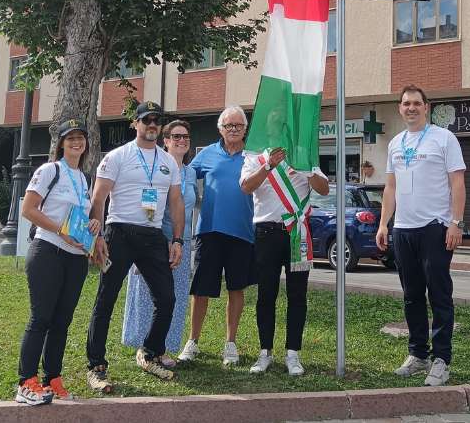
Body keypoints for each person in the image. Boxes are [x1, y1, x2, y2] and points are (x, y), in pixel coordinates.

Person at [86, 101, 184, 392]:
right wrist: (98, 236)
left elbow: (176, 203)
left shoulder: (168, 162)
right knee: (106, 300)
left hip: (153, 235)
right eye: (146, 120)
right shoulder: (117, 156)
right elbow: (99, 198)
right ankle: (96, 367)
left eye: (157, 121)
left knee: (166, 299)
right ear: (136, 124)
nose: (152, 125)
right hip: (119, 233)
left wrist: (177, 239)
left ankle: (151, 352)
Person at [376, 85, 466, 387]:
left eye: (416, 103)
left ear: (426, 107)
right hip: (403, 229)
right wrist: (383, 224)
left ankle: (441, 360)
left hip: (435, 227)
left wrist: (455, 222)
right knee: (412, 296)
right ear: (400, 109)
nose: (411, 108)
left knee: (439, 295)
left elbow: (457, 183)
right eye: (405, 104)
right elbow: (390, 187)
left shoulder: (444, 138)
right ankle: (418, 355)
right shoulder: (396, 143)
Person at [17, 118, 99, 405]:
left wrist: (93, 225)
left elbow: (83, 217)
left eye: (81, 138)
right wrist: (60, 231)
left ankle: (51, 378)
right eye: (70, 138)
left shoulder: (85, 178)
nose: (77, 142)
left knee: (62, 321)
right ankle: (26, 382)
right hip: (48, 250)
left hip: (75, 258)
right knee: (41, 318)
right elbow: (28, 209)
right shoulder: (49, 170)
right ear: (61, 143)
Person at [240, 148, 329, 375]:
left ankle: (293, 353)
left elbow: (324, 189)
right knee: (266, 295)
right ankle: (265, 352)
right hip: (266, 233)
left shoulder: (305, 154)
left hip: (296, 233)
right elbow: (246, 187)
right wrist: (268, 165)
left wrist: (307, 171)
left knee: (297, 295)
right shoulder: (254, 157)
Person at [177, 105, 255, 366]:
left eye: (238, 125)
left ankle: (230, 343)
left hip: (243, 233)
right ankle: (193, 341)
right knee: (200, 289)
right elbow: (183, 174)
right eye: (228, 125)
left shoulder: (254, 155)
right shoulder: (207, 154)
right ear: (220, 129)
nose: (233, 130)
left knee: (236, 288)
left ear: (245, 128)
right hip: (208, 231)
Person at [121, 120, 198, 366]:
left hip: (181, 243)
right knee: (149, 295)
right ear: (165, 141)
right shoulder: (155, 167)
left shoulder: (191, 172)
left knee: (174, 296)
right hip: (154, 242)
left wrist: (179, 241)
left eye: (185, 136)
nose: (181, 141)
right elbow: (147, 207)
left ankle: (162, 348)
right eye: (175, 136)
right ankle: (144, 347)